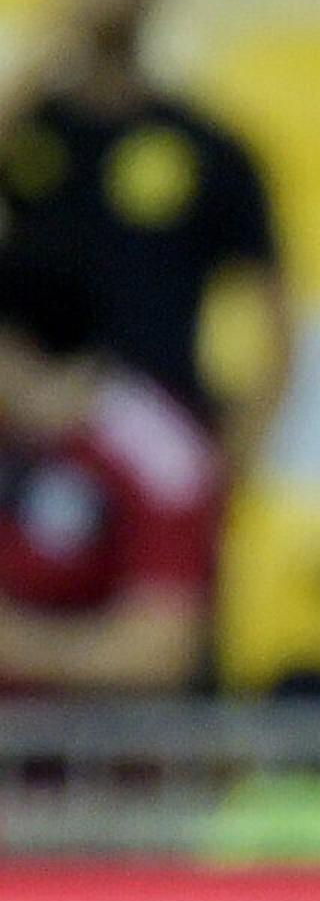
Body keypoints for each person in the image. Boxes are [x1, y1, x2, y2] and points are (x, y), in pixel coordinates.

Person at [0, 0, 291, 465]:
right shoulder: (29, 130)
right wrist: (51, 44)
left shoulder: (207, 145)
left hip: (163, 426)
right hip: (38, 430)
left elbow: (278, 311)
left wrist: (243, 445)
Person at [0, 245, 220, 699]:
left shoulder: (160, 455)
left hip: (94, 758)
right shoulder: (14, 430)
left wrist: (21, 646)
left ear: (17, 347)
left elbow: (160, 649)